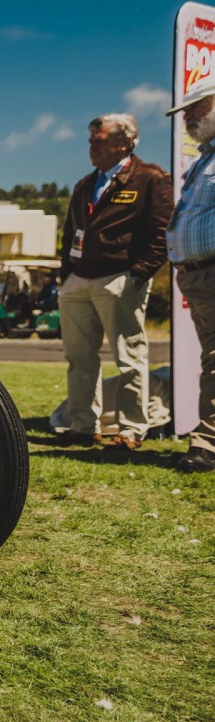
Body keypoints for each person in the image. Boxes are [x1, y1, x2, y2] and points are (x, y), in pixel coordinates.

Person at [57, 114, 172, 449]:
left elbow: (162, 232)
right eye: (91, 140)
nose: (93, 146)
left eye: (101, 139)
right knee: (79, 359)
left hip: (120, 278)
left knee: (129, 356)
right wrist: (66, 275)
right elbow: (69, 234)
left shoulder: (150, 178)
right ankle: (82, 425)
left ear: (125, 142)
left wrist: (139, 274)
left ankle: (132, 429)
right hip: (79, 281)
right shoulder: (84, 185)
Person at [165, 76, 215, 472]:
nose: (188, 118)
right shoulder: (204, 159)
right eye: (185, 113)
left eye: (196, 109)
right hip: (197, 276)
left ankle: (206, 443)